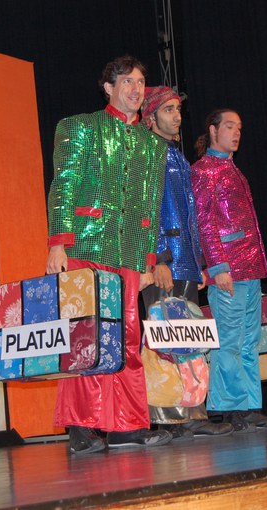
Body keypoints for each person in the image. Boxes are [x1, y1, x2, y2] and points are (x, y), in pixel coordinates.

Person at [46, 55, 172, 454]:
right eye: (127, 81)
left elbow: (151, 204)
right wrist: (57, 243)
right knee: (87, 336)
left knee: (127, 337)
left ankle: (126, 424)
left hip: (129, 253)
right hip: (86, 244)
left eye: (140, 82)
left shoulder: (154, 145)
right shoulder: (79, 126)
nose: (136, 88)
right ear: (108, 87)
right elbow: (64, 185)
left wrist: (149, 259)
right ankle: (81, 426)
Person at [139, 87, 234, 440]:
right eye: (168, 109)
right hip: (166, 262)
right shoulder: (148, 155)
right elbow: (145, 211)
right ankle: (167, 417)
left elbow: (192, 217)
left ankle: (192, 412)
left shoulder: (175, 156)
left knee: (189, 340)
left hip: (186, 263)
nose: (177, 116)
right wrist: (158, 258)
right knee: (166, 340)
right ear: (150, 118)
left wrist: (199, 264)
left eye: (178, 109)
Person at [191, 109, 267, 433]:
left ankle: (249, 406)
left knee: (249, 340)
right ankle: (231, 407)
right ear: (213, 130)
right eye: (230, 126)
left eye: (239, 128)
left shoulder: (232, 169)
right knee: (230, 340)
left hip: (249, 267)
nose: (236, 133)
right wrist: (218, 267)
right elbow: (205, 223)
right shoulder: (204, 170)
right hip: (228, 270)